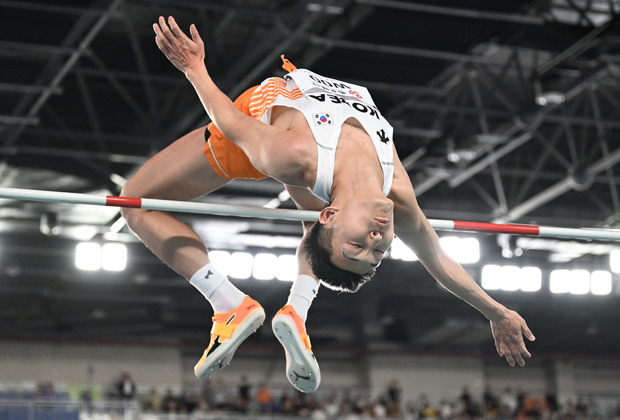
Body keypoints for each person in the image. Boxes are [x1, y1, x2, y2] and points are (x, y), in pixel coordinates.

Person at [120, 15, 535, 393]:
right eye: (378, 251)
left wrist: (194, 67)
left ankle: (227, 303)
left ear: (331, 216)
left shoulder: (292, 155)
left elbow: (229, 120)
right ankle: (296, 313)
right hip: (321, 162)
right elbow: (439, 261)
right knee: (311, 229)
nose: (375, 239)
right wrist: (496, 312)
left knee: (134, 201)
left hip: (250, 134)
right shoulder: (399, 195)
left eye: (357, 246)